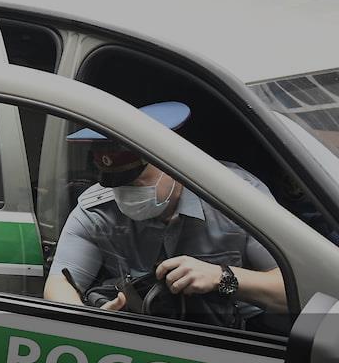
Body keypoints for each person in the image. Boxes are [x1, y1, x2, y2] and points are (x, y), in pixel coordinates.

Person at [45, 102, 288, 329]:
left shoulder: (238, 198)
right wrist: (89, 322)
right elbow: (59, 284)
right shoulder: (97, 209)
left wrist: (222, 277)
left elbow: (290, 292)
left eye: (138, 183)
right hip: (142, 335)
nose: (127, 195)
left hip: (236, 336)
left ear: (173, 163)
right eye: (119, 186)